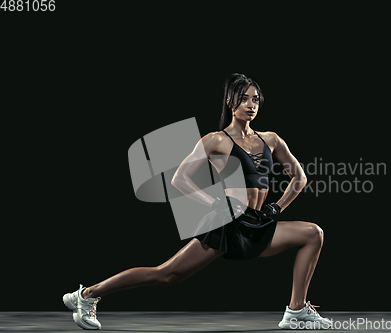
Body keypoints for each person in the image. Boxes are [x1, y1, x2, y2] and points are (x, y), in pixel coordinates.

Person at [62, 73, 331, 330]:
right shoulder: (216, 140)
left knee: (312, 234)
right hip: (226, 224)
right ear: (230, 101)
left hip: (257, 222)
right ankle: (87, 295)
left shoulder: (271, 139)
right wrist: (214, 203)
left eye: (255, 99)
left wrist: (278, 207)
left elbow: (299, 177)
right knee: (166, 275)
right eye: (244, 98)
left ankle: (296, 311)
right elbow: (180, 179)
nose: (251, 105)